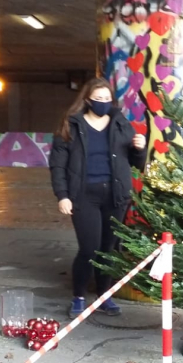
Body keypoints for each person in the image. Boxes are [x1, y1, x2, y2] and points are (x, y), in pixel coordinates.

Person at [50, 77, 147, 316]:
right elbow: (58, 165)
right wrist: (63, 196)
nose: (103, 102)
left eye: (107, 98)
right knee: (89, 249)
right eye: (98, 98)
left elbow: (136, 163)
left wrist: (140, 148)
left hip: (116, 196)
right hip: (83, 196)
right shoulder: (71, 126)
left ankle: (105, 296)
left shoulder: (121, 124)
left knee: (109, 248)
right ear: (87, 100)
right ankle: (79, 296)